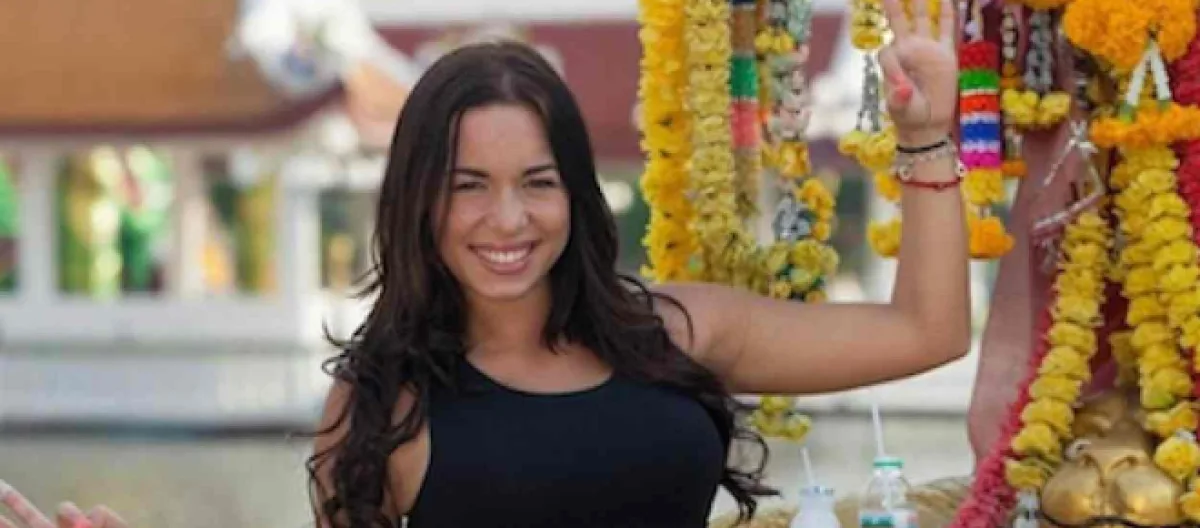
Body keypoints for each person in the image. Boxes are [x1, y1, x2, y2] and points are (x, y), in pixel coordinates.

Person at [1, 0, 965, 526]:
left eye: (537, 182)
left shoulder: (674, 330)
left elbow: (927, 332)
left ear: (575, 193)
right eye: (468, 185)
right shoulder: (379, 407)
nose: (507, 219)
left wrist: (927, 136)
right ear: (419, 199)